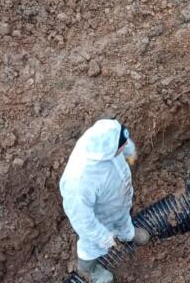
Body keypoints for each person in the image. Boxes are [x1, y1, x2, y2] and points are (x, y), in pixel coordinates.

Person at [60, 119, 150, 283]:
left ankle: (127, 234)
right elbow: (82, 220)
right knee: (93, 247)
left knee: (124, 220)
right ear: (108, 150)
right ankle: (89, 269)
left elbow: (123, 139)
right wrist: (102, 237)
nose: (124, 146)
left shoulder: (109, 138)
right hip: (99, 219)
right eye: (121, 147)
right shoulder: (79, 181)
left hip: (119, 203)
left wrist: (130, 153)